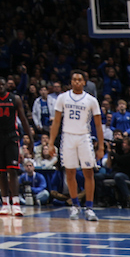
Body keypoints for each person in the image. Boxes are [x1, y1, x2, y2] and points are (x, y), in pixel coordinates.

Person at [48, 70, 104, 222]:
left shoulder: (91, 100)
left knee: (89, 173)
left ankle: (90, 208)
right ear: (71, 82)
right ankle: (75, 205)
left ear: (84, 82)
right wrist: (51, 142)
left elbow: (98, 126)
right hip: (67, 137)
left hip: (84, 137)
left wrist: (101, 146)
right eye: (74, 79)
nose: (77, 82)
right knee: (70, 173)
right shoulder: (63, 97)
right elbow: (56, 122)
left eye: (80, 79)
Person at [0, 75, 32, 216]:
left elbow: (23, 119)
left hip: (12, 136)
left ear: (7, 85)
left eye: (3, 83)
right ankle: (5, 204)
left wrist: (30, 137)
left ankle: (16, 203)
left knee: (13, 170)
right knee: (2, 171)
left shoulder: (15, 99)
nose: (1, 85)